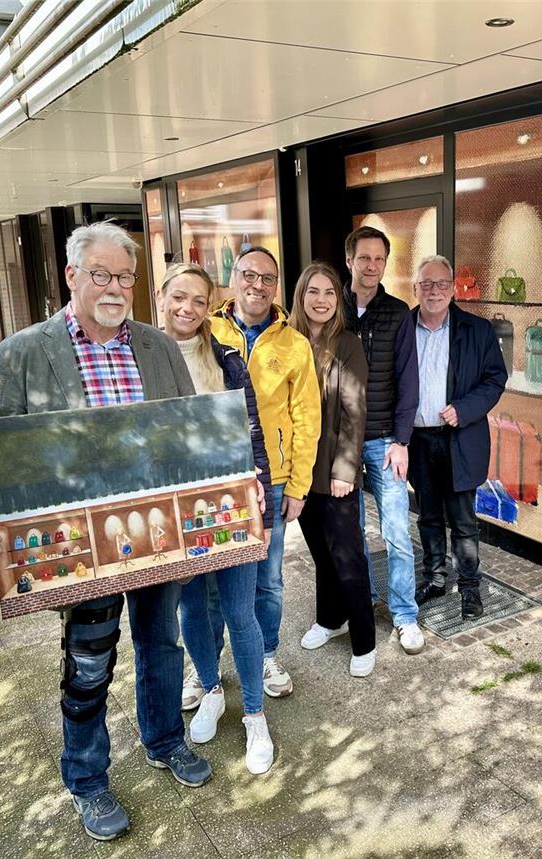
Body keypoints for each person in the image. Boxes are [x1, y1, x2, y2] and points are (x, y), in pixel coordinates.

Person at [0, 222, 210, 842]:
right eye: (101, 274)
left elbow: (189, 434)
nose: (114, 287)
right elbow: (2, 453)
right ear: (72, 276)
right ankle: (87, 778)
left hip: (159, 532)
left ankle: (164, 741)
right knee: (87, 661)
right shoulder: (25, 351)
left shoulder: (159, 347)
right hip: (80, 545)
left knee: (162, 644)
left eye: (125, 276)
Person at [158, 262, 275, 775]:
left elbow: (253, 432)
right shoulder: (142, 359)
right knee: (192, 609)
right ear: (162, 297)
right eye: (179, 297)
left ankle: (254, 713)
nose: (187, 309)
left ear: (211, 307)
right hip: (171, 509)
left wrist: (262, 492)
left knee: (239, 609)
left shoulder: (226, 360)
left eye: (199, 301)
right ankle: (210, 690)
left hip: (229, 502)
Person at [211, 246, 321, 698]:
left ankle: (267, 654)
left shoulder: (293, 343)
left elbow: (306, 418)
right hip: (214, 477)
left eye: (268, 279)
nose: (257, 285)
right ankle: (207, 666)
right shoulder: (206, 332)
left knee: (268, 577)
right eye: (249, 275)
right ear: (233, 278)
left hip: (271, 479)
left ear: (277, 287)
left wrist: (298, 485)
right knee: (212, 576)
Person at [407, 255, 507, 620]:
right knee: (428, 516)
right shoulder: (404, 327)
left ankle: (470, 588)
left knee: (463, 521)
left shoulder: (477, 330)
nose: (433, 291)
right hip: (417, 440)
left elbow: (495, 379)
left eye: (441, 284)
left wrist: (464, 409)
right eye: (426, 284)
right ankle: (435, 579)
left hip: (459, 438)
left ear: (452, 288)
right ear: (415, 289)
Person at [290, 262, 376, 675]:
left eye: (328, 292)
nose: (321, 300)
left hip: (334, 472)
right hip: (298, 473)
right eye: (313, 291)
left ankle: (364, 640)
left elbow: (354, 412)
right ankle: (329, 619)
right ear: (301, 296)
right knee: (321, 555)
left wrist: (346, 470)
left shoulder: (348, 344)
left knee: (347, 556)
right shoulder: (288, 342)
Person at [341, 226, 423, 655]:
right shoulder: (331, 306)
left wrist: (402, 440)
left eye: (379, 259)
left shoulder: (398, 312)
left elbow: (409, 380)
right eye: (365, 258)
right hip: (341, 443)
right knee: (350, 532)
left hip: (386, 440)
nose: (372, 266)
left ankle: (405, 614)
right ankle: (363, 601)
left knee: (395, 530)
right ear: (350, 260)